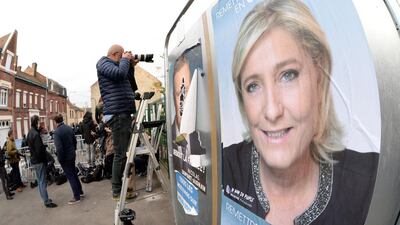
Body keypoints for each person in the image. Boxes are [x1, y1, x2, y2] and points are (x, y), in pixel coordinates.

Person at [222, 0, 379, 224]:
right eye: (253, 86)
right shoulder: (223, 169)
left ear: (319, 79)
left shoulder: (370, 181)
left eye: (288, 75)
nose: (272, 110)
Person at [96, 44, 138, 200]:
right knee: (119, 154)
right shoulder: (103, 63)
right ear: (115, 54)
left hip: (124, 113)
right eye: (122, 56)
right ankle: (116, 190)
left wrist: (131, 66)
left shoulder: (119, 65)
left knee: (123, 153)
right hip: (118, 114)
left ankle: (122, 188)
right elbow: (120, 74)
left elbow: (132, 85)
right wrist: (126, 61)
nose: (124, 58)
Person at [171, 54, 205, 167]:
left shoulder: (209, 139)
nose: (184, 102)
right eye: (180, 94)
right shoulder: (169, 135)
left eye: (190, 93)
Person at [53, 114, 84, 205]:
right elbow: (74, 141)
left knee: (70, 176)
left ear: (55, 122)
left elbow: (59, 148)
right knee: (74, 173)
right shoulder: (69, 128)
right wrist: (73, 150)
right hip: (71, 154)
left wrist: (60, 159)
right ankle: (80, 192)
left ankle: (76, 196)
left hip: (65, 157)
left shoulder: (57, 132)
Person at [27, 115, 57, 208]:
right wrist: (45, 160)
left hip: (34, 160)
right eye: (38, 121)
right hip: (39, 161)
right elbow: (39, 150)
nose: (39, 123)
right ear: (36, 122)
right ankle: (47, 201)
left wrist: (39, 131)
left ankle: (45, 199)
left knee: (40, 181)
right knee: (42, 181)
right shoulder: (35, 134)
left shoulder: (30, 132)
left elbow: (33, 146)